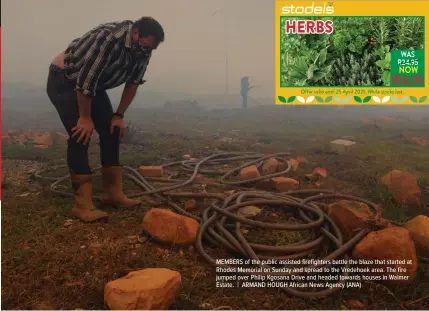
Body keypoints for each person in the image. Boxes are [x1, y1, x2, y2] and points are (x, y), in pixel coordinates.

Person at [46, 17, 164, 222]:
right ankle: (82, 205)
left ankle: (112, 194)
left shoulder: (144, 49)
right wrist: (84, 117)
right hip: (65, 80)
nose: (146, 52)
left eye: (150, 48)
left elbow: (133, 83)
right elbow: (85, 80)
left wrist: (118, 115)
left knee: (112, 129)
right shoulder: (109, 38)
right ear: (136, 34)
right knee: (81, 133)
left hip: (93, 86)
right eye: (145, 45)